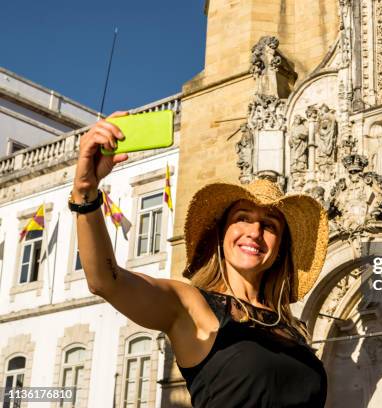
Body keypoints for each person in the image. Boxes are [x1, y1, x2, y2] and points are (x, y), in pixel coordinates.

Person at [71, 112, 330, 407]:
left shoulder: (293, 327)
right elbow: (105, 281)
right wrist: (85, 193)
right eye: (242, 218)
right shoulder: (192, 305)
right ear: (221, 236)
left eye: (269, 225)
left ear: (280, 247)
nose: (255, 232)